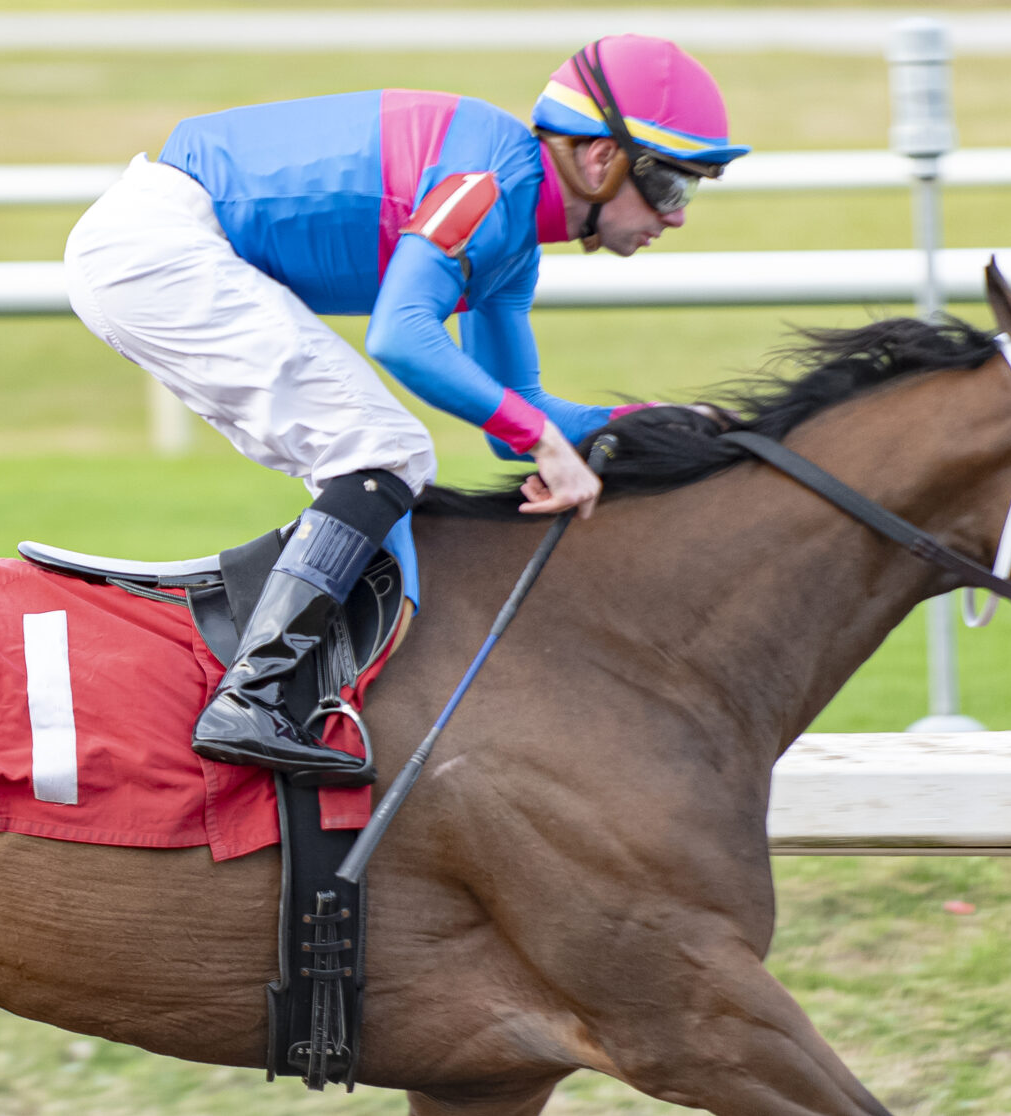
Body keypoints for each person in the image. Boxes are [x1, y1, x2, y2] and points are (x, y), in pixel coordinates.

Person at [64, 34, 749, 787]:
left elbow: (516, 417)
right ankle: (251, 696)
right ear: (601, 159)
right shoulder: (489, 177)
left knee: (379, 462)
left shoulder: (512, 242)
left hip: (163, 249)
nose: (677, 217)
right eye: (674, 186)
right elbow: (403, 335)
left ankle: (309, 689)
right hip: (160, 247)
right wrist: (543, 439)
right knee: (383, 450)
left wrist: (662, 421)